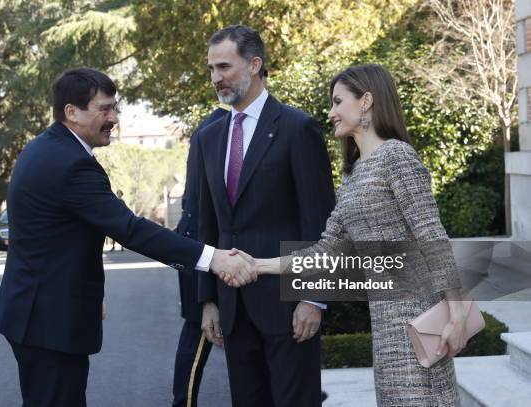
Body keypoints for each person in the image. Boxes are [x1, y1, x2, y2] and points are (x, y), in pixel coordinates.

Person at [0, 67, 258, 407]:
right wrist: (213, 258)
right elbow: (130, 229)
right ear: (71, 112)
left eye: (114, 108)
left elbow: (58, 238)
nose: (114, 118)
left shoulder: (45, 148)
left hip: (37, 312)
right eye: (104, 109)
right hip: (49, 322)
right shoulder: (71, 163)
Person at [244, 64, 468, 407]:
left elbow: (431, 235)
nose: (331, 113)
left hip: (421, 320)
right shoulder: (353, 173)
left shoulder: (397, 156)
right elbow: (326, 250)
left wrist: (457, 315)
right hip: (385, 326)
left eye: (337, 102)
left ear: (366, 101)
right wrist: (257, 265)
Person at [197, 25, 336, 407]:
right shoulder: (208, 137)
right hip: (233, 310)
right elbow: (207, 224)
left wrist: (314, 299)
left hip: (289, 307)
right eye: (211, 69)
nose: (215, 78)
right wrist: (208, 300)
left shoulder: (297, 128)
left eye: (224, 67)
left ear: (255, 64)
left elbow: (321, 223)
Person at [172, 107, 228, 407]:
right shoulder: (219, 125)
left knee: (200, 331)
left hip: (195, 237)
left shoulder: (210, 123)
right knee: (199, 331)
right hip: (202, 240)